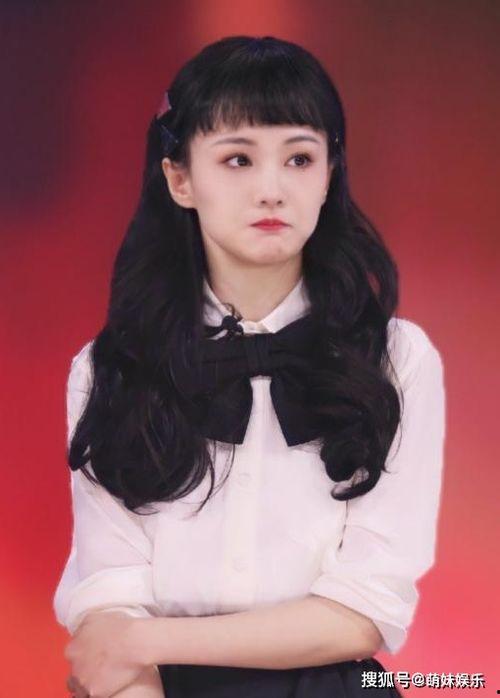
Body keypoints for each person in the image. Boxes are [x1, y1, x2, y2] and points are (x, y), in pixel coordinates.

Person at [54, 35, 446, 698]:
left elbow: (364, 611)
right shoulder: (110, 367)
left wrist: (146, 641)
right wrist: (134, 660)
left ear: (329, 175)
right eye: (238, 159)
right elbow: (108, 598)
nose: (271, 190)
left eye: (299, 158)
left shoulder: (398, 359)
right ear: (180, 178)